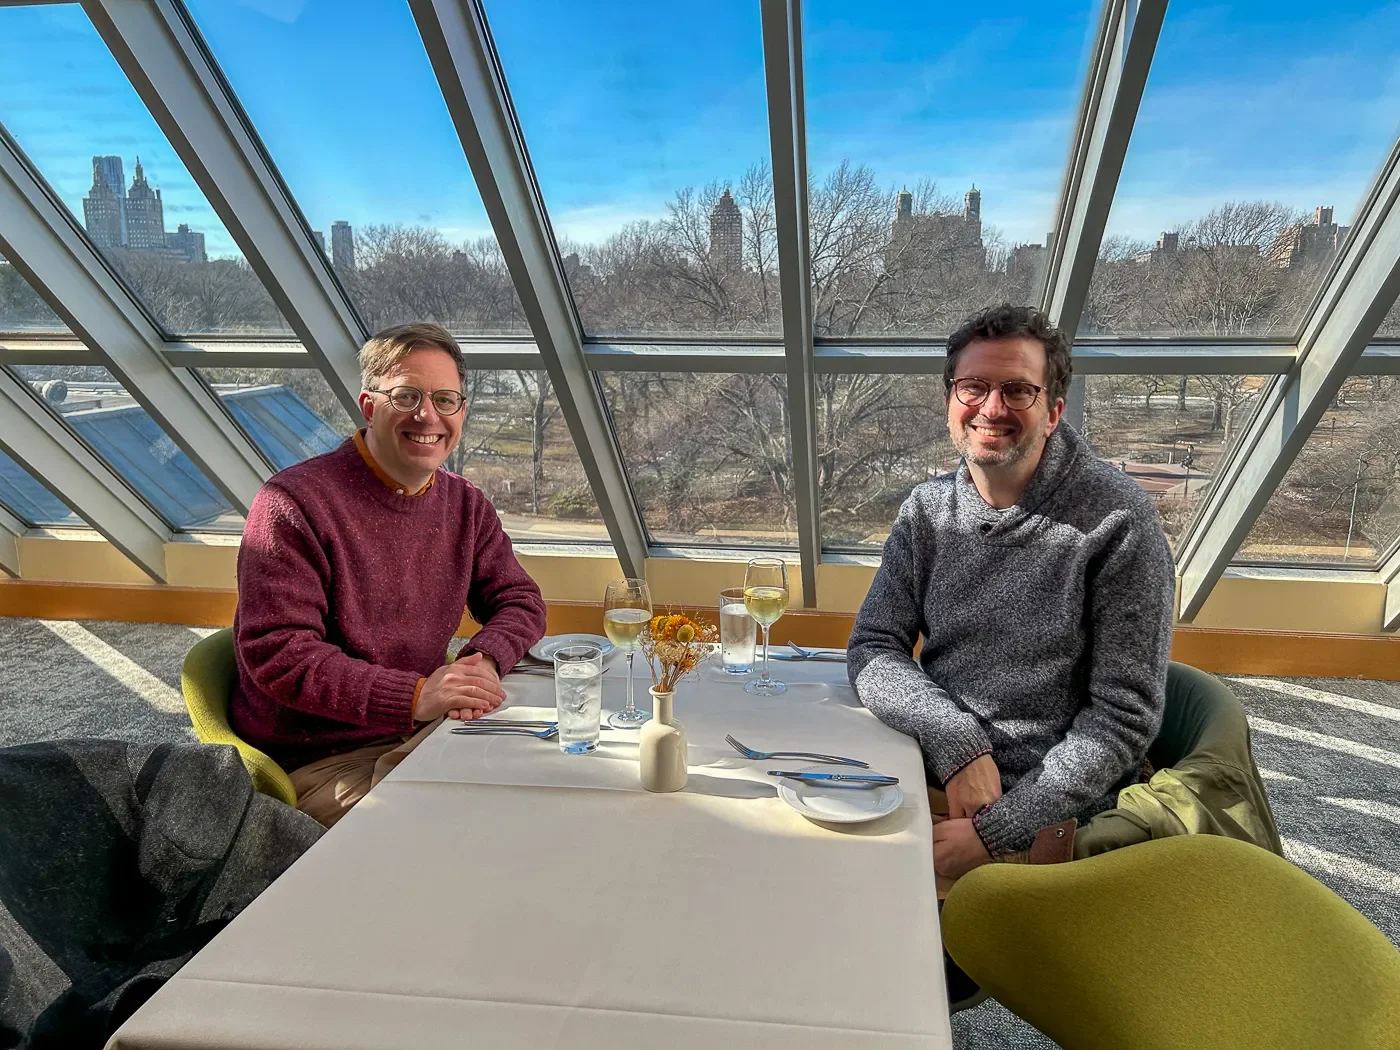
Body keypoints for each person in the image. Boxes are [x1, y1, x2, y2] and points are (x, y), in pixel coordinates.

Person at [848, 303, 1175, 889]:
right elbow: (874, 645)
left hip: (1045, 809)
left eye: (1017, 390)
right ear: (950, 399)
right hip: (929, 766)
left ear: (1052, 411)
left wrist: (998, 830)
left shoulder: (1118, 521)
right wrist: (957, 742)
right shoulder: (927, 511)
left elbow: (1124, 719)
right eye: (973, 387)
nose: (991, 408)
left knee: (879, 936)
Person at [230, 322, 548, 827]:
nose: (428, 415)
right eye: (406, 395)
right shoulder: (292, 504)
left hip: (424, 728)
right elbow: (280, 655)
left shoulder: (465, 504)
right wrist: (417, 696)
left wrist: (484, 660)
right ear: (370, 405)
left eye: (446, 399)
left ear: (461, 411)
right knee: (477, 828)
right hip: (323, 759)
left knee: (547, 789)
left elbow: (520, 600)